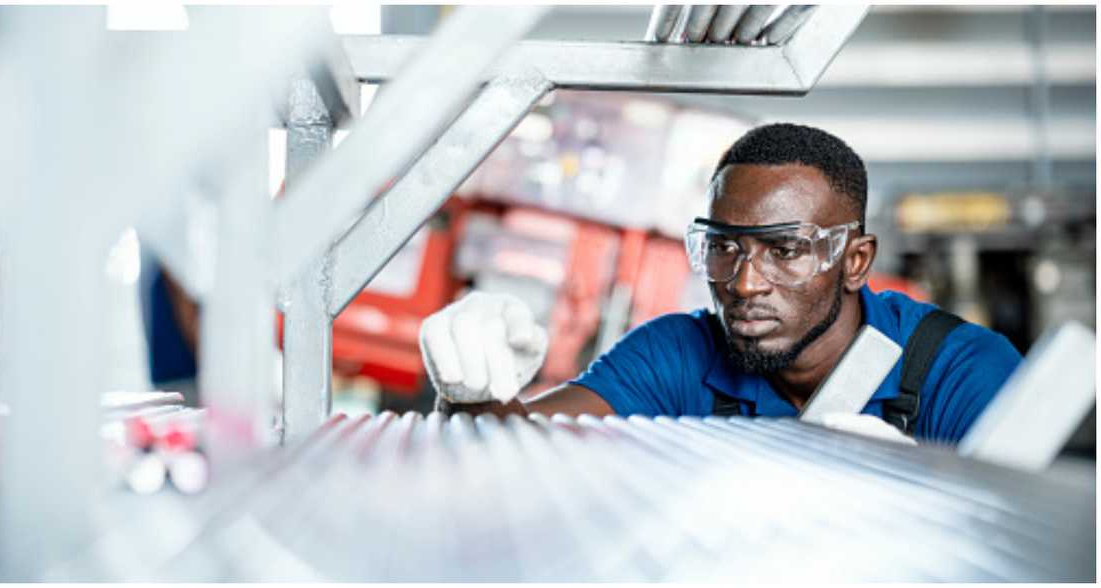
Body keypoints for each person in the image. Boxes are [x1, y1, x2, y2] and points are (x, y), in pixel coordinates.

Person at [419, 123, 1022, 444]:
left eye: (785, 250)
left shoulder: (960, 371)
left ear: (856, 261)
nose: (745, 283)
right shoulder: (677, 354)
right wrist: (475, 389)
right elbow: (511, 451)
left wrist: (920, 493)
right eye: (724, 248)